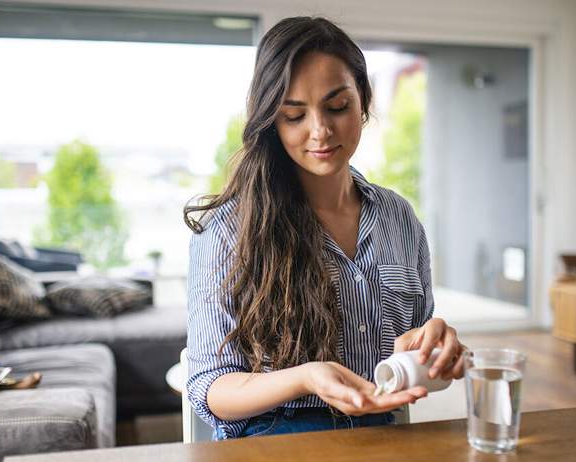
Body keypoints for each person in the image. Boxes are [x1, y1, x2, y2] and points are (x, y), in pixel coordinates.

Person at [184, 16, 466, 440]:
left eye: (337, 107)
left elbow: (414, 341)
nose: (320, 131)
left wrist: (435, 350)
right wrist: (305, 378)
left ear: (363, 101)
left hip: (383, 436)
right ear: (271, 122)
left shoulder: (398, 219)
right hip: (275, 440)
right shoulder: (228, 229)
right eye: (294, 115)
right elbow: (210, 388)